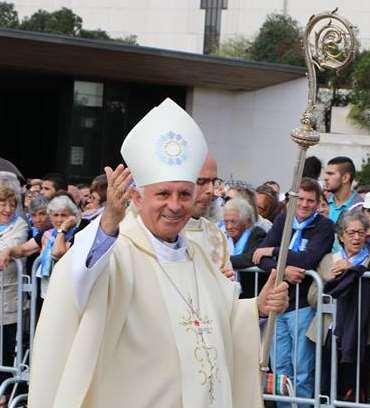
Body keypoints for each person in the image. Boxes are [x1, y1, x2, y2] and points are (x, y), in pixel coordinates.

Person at [28, 98, 288, 408]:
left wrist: (257, 306)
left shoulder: (197, 256)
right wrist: (109, 219)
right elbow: (77, 283)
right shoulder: (116, 251)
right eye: (163, 194)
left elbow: (222, 317)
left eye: (184, 194)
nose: (175, 205)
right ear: (136, 198)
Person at [253, 177, 335, 407]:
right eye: (301, 199)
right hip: (278, 305)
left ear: (319, 203)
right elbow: (259, 257)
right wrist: (284, 270)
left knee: (302, 371)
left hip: (302, 306)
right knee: (280, 370)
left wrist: (275, 250)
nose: (305, 205)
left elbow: (308, 259)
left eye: (311, 200)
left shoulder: (324, 226)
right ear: (292, 200)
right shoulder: (283, 221)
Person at [307, 211, 370, 401]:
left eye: (360, 232)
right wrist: (329, 282)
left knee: (358, 386)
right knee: (327, 383)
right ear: (341, 236)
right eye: (351, 233)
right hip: (330, 332)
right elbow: (312, 297)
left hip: (362, 333)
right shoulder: (328, 260)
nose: (356, 237)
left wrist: (352, 270)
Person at [0, 186, 28, 392]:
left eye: (12, 204)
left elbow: (10, 247)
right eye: (3, 203)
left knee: (5, 348)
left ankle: (3, 392)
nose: (8, 209)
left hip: (8, 297)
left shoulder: (19, 225)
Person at [223, 197, 266, 298]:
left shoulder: (257, 234)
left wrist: (223, 260)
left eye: (233, 222)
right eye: (226, 222)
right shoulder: (221, 235)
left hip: (251, 294)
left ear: (246, 222)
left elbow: (250, 258)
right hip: (227, 295)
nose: (229, 227)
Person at [324, 156, 363, 223]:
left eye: (331, 174)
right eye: (326, 174)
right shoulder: (322, 202)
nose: (325, 178)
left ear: (345, 178)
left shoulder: (360, 207)